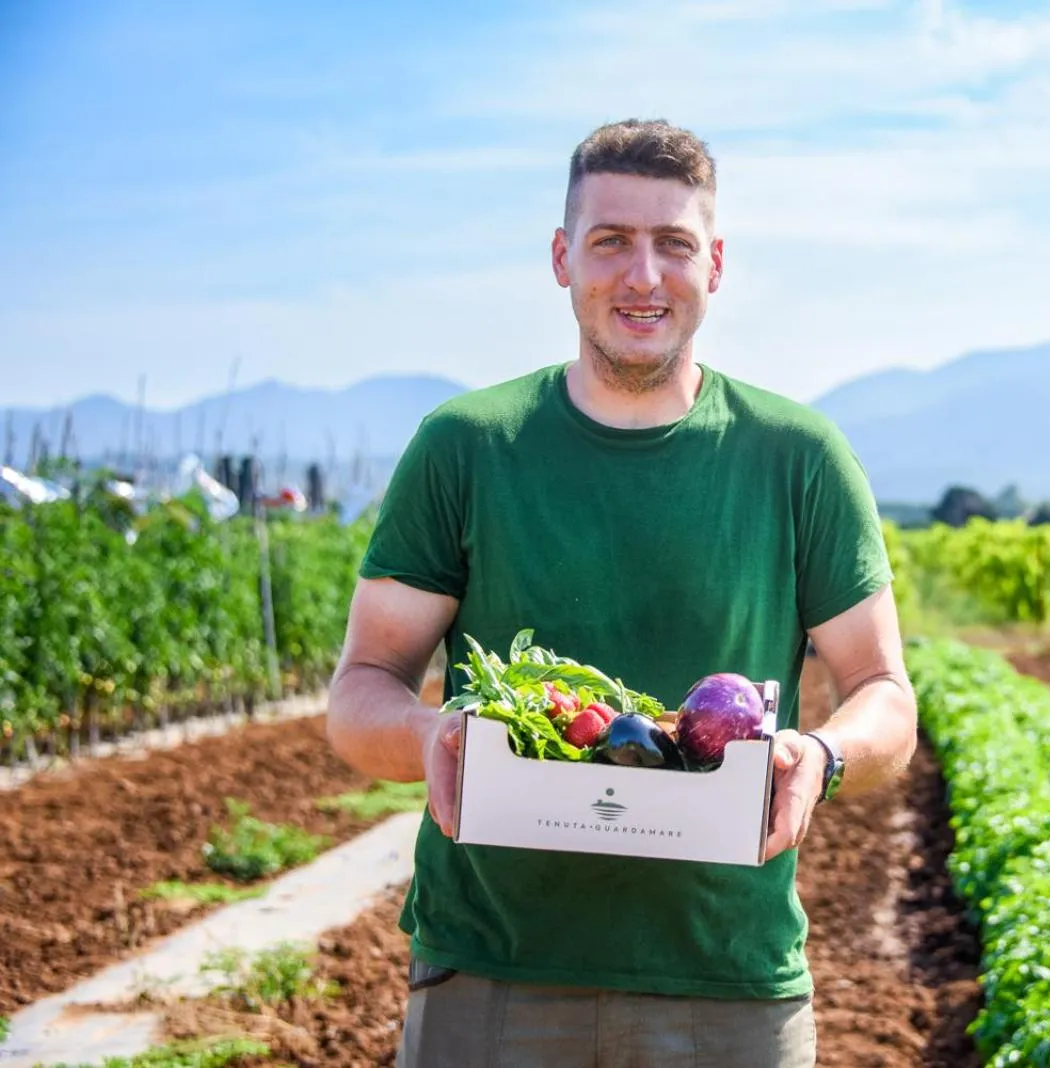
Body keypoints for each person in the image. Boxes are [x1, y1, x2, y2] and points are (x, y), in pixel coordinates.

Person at [324, 118, 919, 1068]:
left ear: (715, 264)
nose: (643, 275)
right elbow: (361, 687)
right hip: (493, 978)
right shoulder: (469, 446)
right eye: (610, 241)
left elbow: (885, 694)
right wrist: (426, 734)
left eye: (673, 243)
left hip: (728, 985)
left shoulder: (798, 458)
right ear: (563, 258)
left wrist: (821, 753)